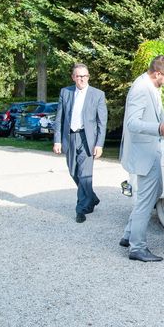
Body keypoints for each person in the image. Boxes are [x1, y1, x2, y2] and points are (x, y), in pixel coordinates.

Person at [119, 56, 164, 262]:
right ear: (157, 73)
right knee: (147, 199)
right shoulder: (140, 89)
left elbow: (156, 116)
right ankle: (137, 247)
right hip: (143, 153)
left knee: (156, 192)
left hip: (151, 151)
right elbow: (132, 123)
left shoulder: (151, 87)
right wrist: (159, 129)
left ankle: (129, 233)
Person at [53, 63, 108, 223]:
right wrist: (57, 140)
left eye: (84, 76)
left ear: (88, 77)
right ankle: (92, 197)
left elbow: (101, 122)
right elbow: (59, 118)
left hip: (87, 138)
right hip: (69, 137)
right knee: (73, 172)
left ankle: (81, 209)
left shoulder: (98, 94)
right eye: (78, 76)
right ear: (73, 77)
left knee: (84, 174)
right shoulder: (66, 92)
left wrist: (99, 144)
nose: (81, 79)